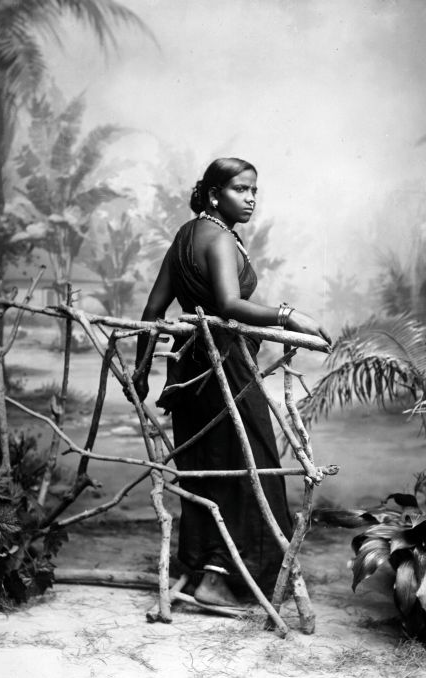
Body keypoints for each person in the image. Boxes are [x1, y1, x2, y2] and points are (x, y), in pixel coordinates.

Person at [132, 157, 331, 607]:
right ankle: (220, 581)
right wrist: (289, 314)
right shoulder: (219, 239)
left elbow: (152, 311)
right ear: (214, 193)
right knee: (250, 464)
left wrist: (142, 369)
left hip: (188, 375)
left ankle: (207, 571)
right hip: (226, 369)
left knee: (206, 466)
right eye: (241, 190)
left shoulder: (186, 236)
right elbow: (228, 304)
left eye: (255, 191)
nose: (251, 199)